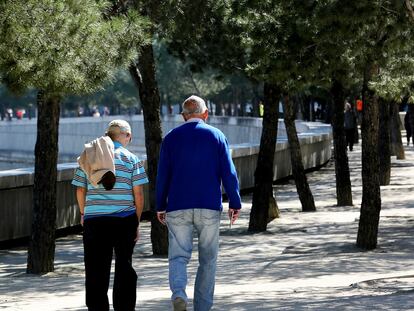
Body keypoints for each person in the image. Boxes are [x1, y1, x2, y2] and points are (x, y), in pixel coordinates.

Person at [156, 95, 242, 311]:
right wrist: (235, 201)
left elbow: (163, 175)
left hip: (177, 205)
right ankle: (202, 307)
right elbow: (228, 172)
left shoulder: (171, 138)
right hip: (208, 205)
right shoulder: (217, 136)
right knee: (208, 259)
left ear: (184, 116)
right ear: (205, 114)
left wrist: (160, 205)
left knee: (177, 255)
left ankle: (179, 294)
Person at [72, 119, 149, 311]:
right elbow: (138, 195)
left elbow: (80, 191)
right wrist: (136, 221)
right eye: (129, 136)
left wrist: (84, 213)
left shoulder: (88, 157)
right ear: (126, 135)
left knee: (96, 270)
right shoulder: (132, 159)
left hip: (95, 221)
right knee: (124, 268)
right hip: (124, 221)